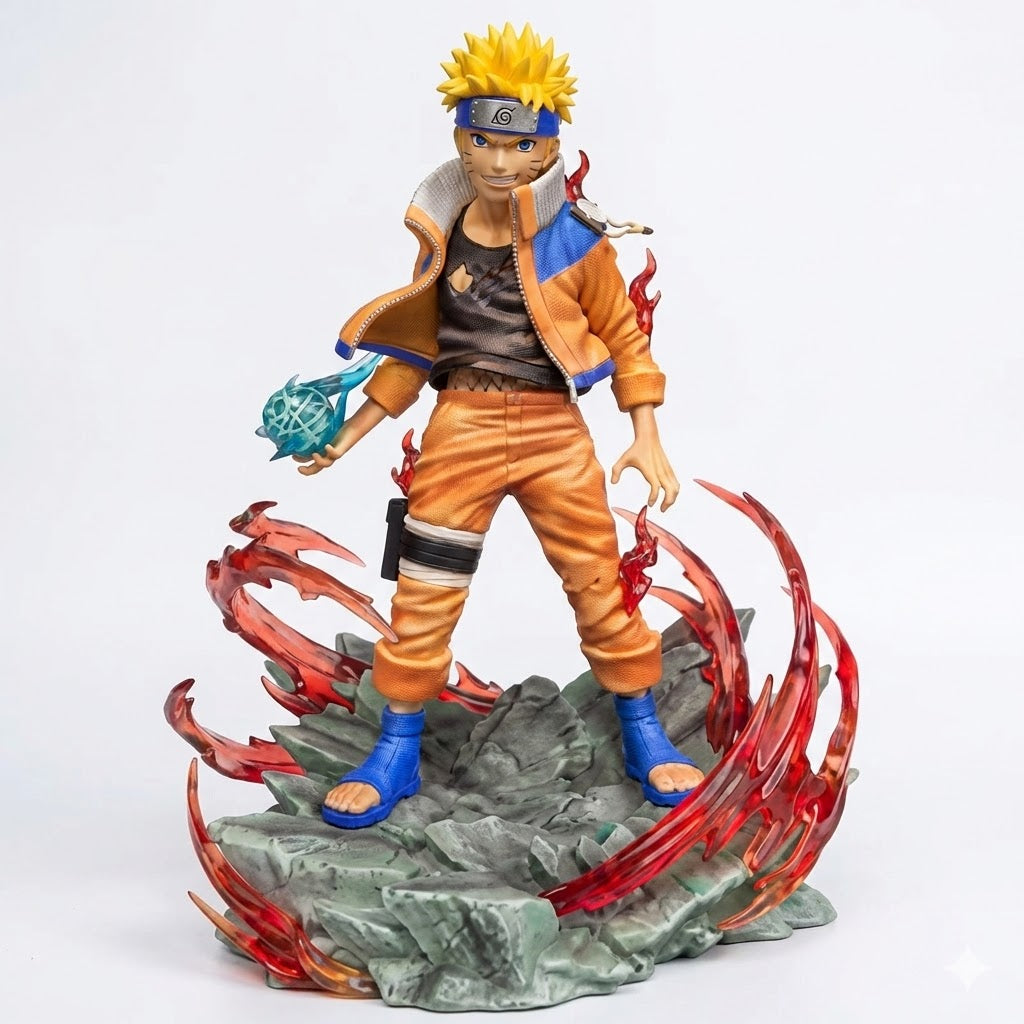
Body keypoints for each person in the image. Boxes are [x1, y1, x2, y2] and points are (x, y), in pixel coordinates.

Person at [295, 24, 704, 828]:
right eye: (483, 141)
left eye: (521, 146)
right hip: (461, 430)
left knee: (598, 581)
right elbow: (416, 349)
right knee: (426, 589)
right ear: (460, 140)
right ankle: (397, 747)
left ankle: (642, 729)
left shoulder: (577, 241)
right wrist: (351, 432)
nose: (500, 162)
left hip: (554, 432)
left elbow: (625, 339)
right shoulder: (440, 236)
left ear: (550, 148)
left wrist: (646, 432)